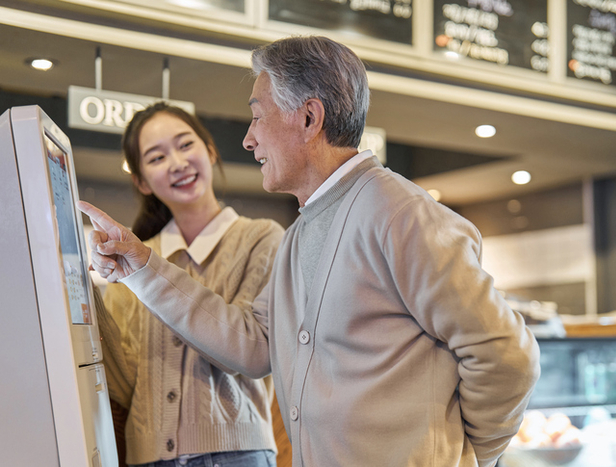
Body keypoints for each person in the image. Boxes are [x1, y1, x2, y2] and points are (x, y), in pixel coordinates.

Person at [80, 36, 540, 467]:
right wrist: (141, 267)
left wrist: (465, 454)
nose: (248, 138)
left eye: (257, 115)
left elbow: (507, 357)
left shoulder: (402, 214)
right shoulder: (300, 232)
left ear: (308, 118)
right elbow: (254, 345)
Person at [91, 102, 284, 467]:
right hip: (147, 459)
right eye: (157, 157)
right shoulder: (132, 262)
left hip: (236, 456)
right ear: (141, 181)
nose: (177, 163)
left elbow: (248, 352)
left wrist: (146, 271)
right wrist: (80, 288)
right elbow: (123, 381)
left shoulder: (262, 238)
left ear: (210, 150)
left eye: (185, 145)